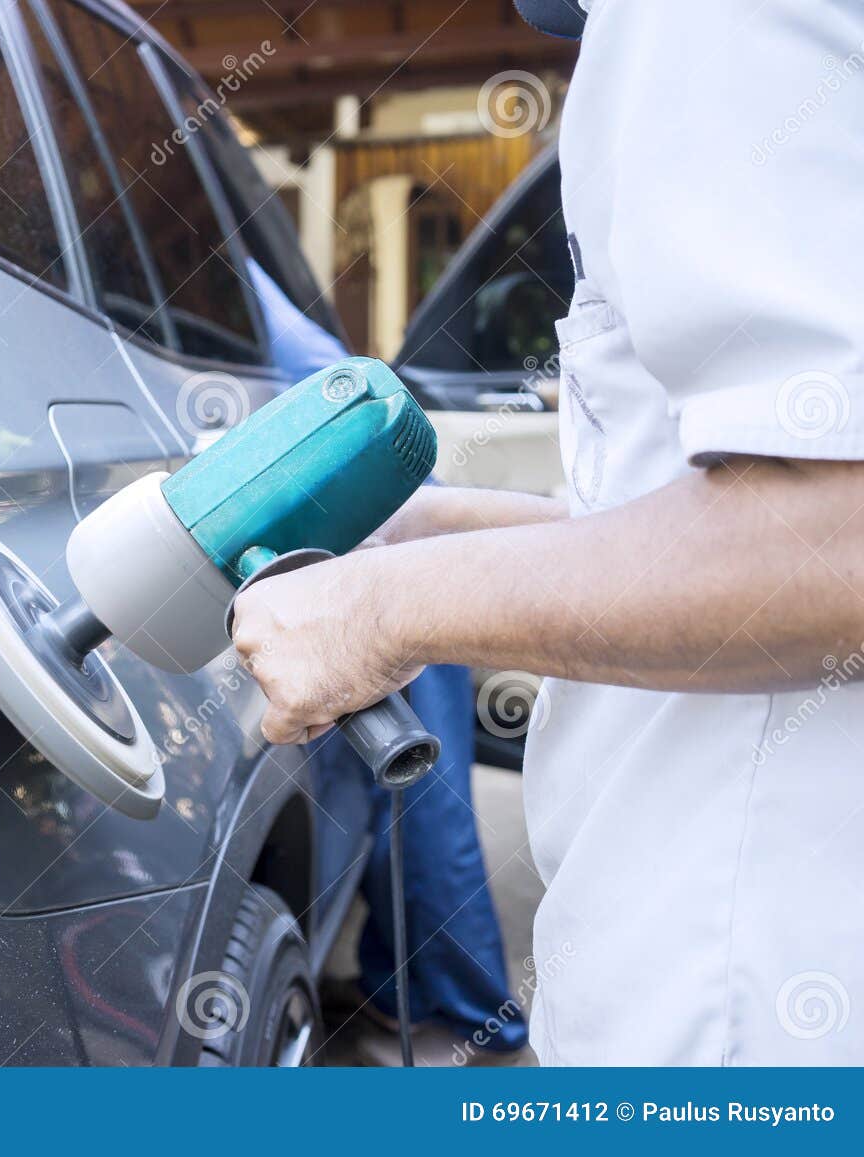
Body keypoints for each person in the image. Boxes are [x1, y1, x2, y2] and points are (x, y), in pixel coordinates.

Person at [232, 0, 864, 1064]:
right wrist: (436, 533)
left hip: (755, 992)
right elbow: (709, 502)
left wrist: (378, 612)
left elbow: (830, 534)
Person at [248, 261, 527, 1064]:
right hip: (380, 507)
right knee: (416, 797)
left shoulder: (204, 263)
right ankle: (400, 989)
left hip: (373, 514)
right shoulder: (245, 272)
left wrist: (395, 603)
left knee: (422, 802)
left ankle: (468, 1015)